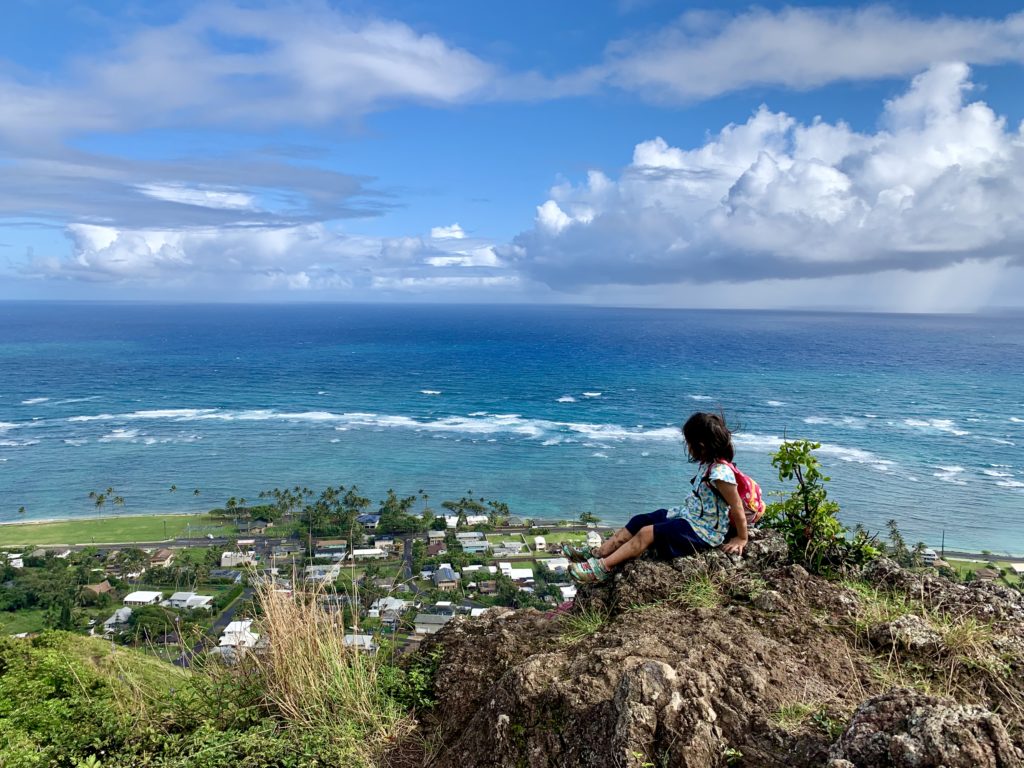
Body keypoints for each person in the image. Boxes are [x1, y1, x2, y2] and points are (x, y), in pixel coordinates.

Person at [566, 412, 753, 583]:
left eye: (688, 442)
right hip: (689, 517)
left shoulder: (721, 473)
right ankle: (598, 553)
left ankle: (602, 568)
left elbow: (736, 506)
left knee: (647, 533)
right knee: (640, 520)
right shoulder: (709, 464)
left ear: (701, 446)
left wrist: (741, 538)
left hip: (703, 532)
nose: (687, 447)